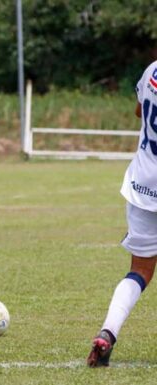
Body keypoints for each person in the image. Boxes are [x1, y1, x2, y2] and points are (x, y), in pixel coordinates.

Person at [87, 62, 157, 367]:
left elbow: (139, 111)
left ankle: (108, 332)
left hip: (144, 186)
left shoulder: (153, 70)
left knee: (139, 271)